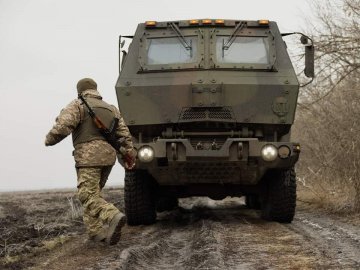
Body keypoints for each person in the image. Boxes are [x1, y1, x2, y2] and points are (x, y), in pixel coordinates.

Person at [45, 78, 136, 245]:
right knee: (94, 193)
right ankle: (96, 232)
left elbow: (62, 127)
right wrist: (128, 155)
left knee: (87, 195)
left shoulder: (78, 104)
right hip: (108, 158)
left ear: (80, 91)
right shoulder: (112, 109)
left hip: (89, 158)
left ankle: (112, 215)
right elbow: (125, 136)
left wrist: (49, 140)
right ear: (95, 89)